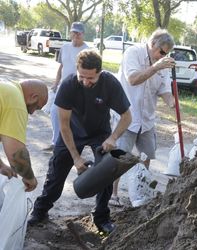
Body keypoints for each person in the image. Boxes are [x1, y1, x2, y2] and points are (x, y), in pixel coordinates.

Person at [28, 49, 132, 235]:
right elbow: (64, 126)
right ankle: (40, 211)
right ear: (77, 70)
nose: (85, 81)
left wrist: (112, 138)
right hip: (72, 132)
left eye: (90, 78)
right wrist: (76, 158)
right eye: (81, 76)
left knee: (106, 170)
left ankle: (101, 217)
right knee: (56, 172)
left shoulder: (110, 84)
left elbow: (127, 117)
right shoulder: (68, 85)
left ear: (99, 73)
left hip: (100, 133)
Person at [109, 28, 175, 207]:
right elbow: (133, 79)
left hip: (147, 119)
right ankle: (113, 195)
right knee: (120, 157)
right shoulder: (134, 53)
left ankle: (140, 192)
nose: (163, 56)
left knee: (146, 157)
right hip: (127, 117)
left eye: (166, 54)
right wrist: (156, 67)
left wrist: (172, 102)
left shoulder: (162, 63)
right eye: (161, 52)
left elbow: (164, 90)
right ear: (152, 44)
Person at [44, 22, 89, 151]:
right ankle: (56, 142)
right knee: (54, 113)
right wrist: (55, 83)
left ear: (83, 34)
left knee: (73, 117)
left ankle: (73, 144)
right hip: (63, 87)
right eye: (73, 32)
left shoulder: (88, 50)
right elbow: (61, 67)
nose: (76, 35)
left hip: (79, 89)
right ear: (70, 33)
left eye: (78, 33)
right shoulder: (64, 47)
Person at [0, 79, 48, 191]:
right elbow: (16, 153)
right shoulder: (16, 103)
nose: (32, 113)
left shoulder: (7, 88)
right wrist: (30, 178)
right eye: (36, 107)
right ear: (34, 97)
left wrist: (1, 165)